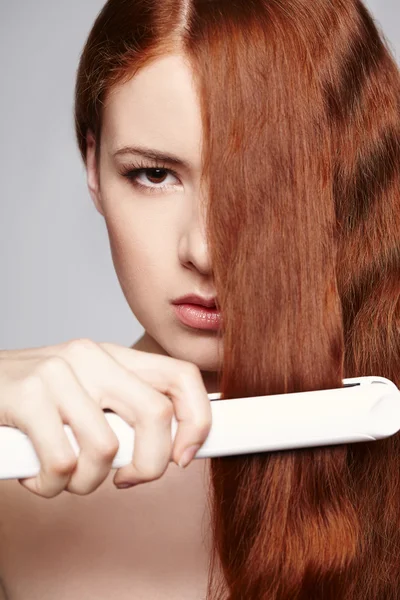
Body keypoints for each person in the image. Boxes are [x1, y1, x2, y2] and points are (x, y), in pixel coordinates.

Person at [0, 1, 400, 599]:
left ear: (352, 178)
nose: (206, 250)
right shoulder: (15, 477)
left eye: (265, 181)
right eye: (154, 175)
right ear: (92, 168)